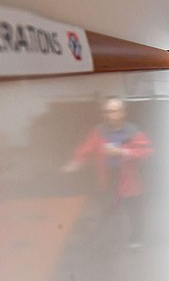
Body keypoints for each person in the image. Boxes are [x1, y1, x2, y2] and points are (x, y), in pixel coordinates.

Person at [63, 97, 153, 247]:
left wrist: (123, 152)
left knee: (134, 210)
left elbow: (147, 151)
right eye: (107, 111)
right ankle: (100, 240)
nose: (110, 115)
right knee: (107, 209)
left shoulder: (133, 131)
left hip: (130, 179)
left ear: (123, 112)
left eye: (114, 111)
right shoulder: (99, 132)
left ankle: (137, 238)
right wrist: (76, 161)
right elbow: (86, 148)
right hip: (109, 177)